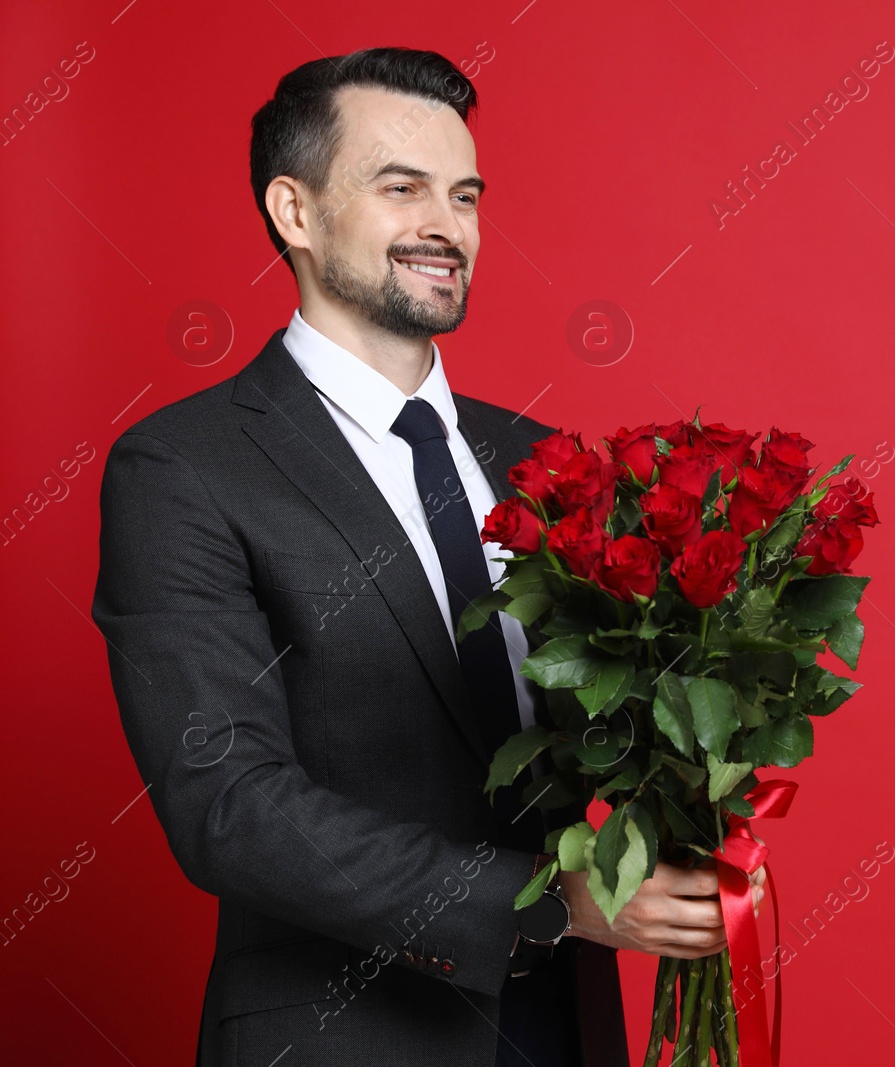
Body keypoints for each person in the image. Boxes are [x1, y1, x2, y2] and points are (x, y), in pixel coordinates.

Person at [91, 47, 762, 1067]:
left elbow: (603, 717)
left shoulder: (539, 458)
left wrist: (693, 769)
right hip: (342, 1033)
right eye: (400, 189)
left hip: (565, 1029)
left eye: (465, 195)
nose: (445, 226)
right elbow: (227, 805)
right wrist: (552, 906)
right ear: (296, 212)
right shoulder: (186, 466)